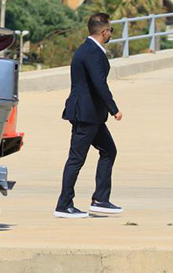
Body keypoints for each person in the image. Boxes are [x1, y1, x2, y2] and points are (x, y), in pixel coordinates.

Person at [54, 12, 124, 218]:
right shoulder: (92, 53)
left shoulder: (87, 49)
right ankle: (64, 204)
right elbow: (98, 83)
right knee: (76, 159)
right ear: (104, 32)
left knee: (109, 150)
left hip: (91, 115)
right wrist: (114, 109)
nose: (111, 33)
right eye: (111, 30)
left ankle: (101, 200)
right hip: (86, 115)